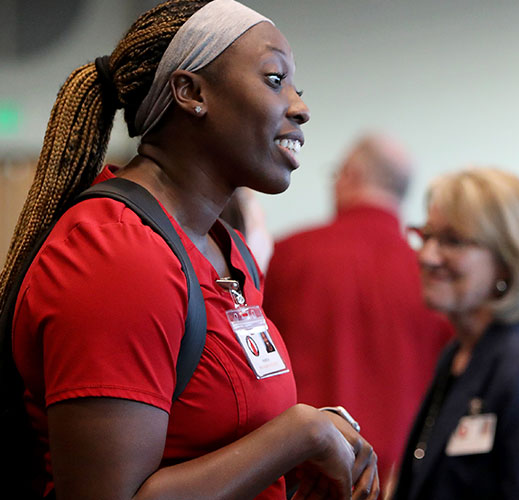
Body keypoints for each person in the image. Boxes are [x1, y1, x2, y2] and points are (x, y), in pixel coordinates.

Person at [1, 1, 379, 498]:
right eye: (273, 79)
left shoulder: (229, 250)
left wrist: (308, 448)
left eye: (296, 88)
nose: (299, 106)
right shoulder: (117, 254)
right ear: (191, 92)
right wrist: (298, 435)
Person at [262, 134, 452, 485]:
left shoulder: (292, 255)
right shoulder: (432, 273)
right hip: (401, 477)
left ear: (351, 174)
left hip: (307, 473)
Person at [392, 167, 519, 500]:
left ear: (509, 261)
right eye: (427, 235)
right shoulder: (459, 354)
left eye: (452, 241)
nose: (427, 256)